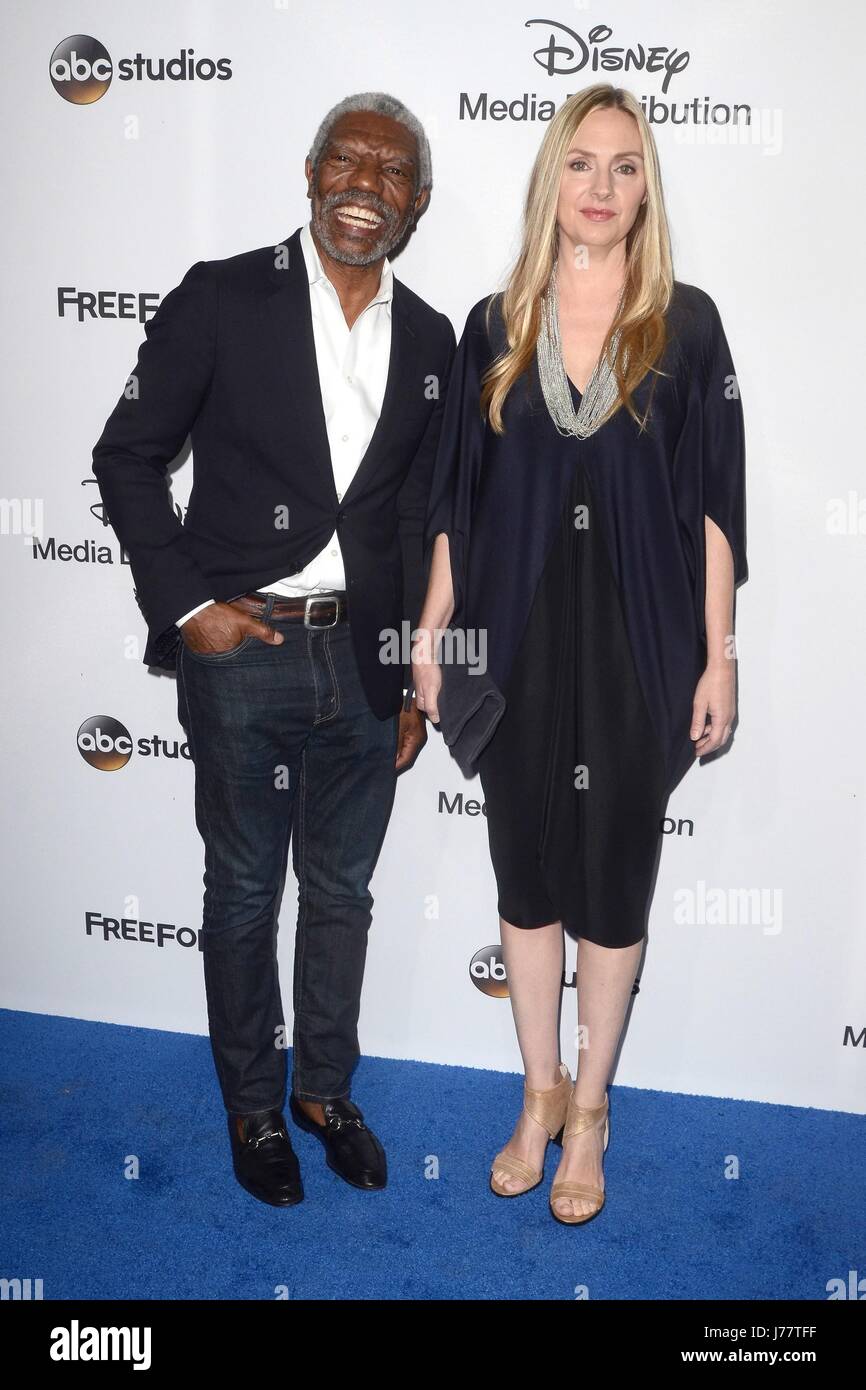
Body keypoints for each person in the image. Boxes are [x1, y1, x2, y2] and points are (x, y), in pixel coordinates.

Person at [92, 93, 456, 1207]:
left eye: (390, 171)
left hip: (361, 667)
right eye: (343, 159)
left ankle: (323, 1093)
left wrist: (402, 680)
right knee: (245, 892)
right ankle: (253, 1108)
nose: (363, 182)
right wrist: (185, 601)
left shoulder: (433, 338)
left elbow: (407, 519)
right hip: (243, 650)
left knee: (340, 891)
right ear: (307, 173)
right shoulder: (220, 296)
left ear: (417, 202)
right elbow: (126, 455)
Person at [412, 84, 747, 1225]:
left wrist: (719, 655)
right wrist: (432, 636)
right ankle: (539, 1091)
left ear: (645, 185)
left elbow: (710, 511)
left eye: (623, 165)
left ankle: (592, 1110)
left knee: (611, 884)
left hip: (638, 646)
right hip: (513, 644)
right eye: (580, 163)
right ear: (549, 179)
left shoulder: (686, 326)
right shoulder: (491, 326)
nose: (600, 187)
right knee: (526, 875)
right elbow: (457, 504)